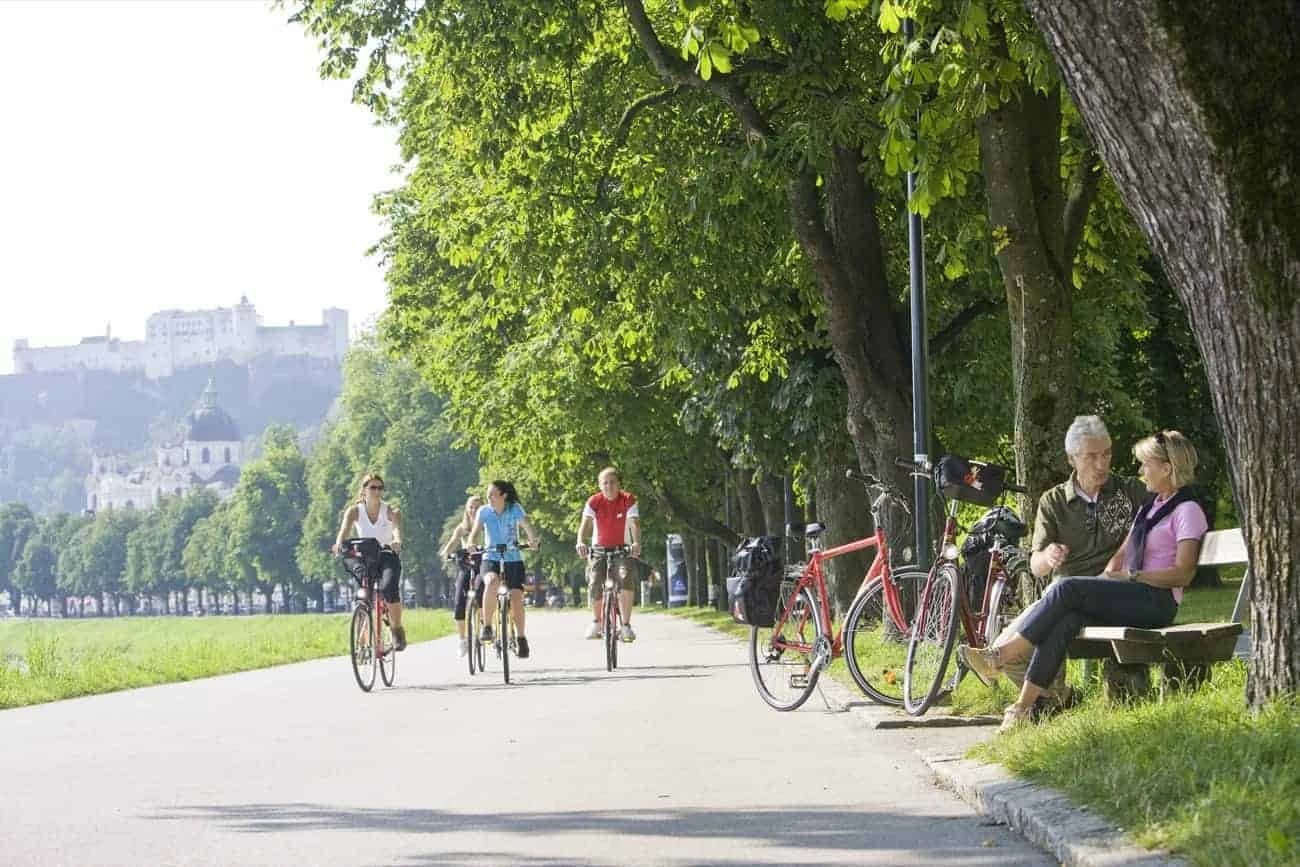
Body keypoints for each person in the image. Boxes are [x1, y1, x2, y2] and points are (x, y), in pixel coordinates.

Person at [960, 430, 1207, 731]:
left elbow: (1184, 573)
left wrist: (1133, 576)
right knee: (1068, 618)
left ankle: (999, 656)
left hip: (1157, 601)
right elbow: (1121, 553)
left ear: (1167, 468)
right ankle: (1022, 707)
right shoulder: (1151, 506)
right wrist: (1105, 582)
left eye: (1146, 464)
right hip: (1133, 593)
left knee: (1066, 586)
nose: (1141, 471)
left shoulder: (1187, 510)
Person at [994, 415, 1148, 707]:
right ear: (1071, 459)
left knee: (1014, 642)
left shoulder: (1131, 491)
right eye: (1091, 456)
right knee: (1016, 649)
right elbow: (1036, 565)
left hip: (1114, 596)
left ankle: (1017, 673)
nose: (1102, 464)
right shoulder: (1053, 501)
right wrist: (1049, 555)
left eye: (1106, 454)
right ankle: (1056, 697)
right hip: (1065, 603)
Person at [332, 472, 407, 651]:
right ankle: (362, 639)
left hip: (386, 554)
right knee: (364, 594)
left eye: (380, 488)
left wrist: (396, 541)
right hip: (364, 557)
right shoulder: (354, 511)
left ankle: (397, 630)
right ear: (364, 490)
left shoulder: (391, 511)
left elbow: (396, 529)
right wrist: (338, 545)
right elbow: (344, 531)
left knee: (389, 587)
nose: (377, 491)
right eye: (372, 487)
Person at [467, 480, 540, 658]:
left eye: (493, 494)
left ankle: (521, 638)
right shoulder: (484, 511)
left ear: (503, 495)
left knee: (516, 598)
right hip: (490, 556)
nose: (489, 498)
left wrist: (532, 540)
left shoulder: (514, 508)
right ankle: (487, 626)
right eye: (488, 495)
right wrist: (471, 543)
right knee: (491, 581)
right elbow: (475, 532)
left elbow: (527, 526)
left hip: (512, 557)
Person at [575, 467, 641, 640]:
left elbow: (634, 524)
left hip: (622, 549)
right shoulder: (594, 501)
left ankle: (626, 626)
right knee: (595, 581)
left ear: (619, 484)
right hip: (599, 549)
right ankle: (597, 622)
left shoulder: (628, 499)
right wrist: (580, 542)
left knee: (625, 577)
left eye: (612, 482)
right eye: (605, 483)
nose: (609, 486)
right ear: (599, 485)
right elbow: (585, 525)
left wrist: (636, 543)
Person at [439, 494, 483, 658]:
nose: (474, 510)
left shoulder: (486, 525)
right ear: (466, 509)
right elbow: (452, 542)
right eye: (471, 507)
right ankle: (463, 639)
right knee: (458, 602)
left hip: (482, 564)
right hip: (466, 565)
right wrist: (446, 554)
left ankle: (484, 625)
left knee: (482, 590)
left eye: (477, 507)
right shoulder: (462, 527)